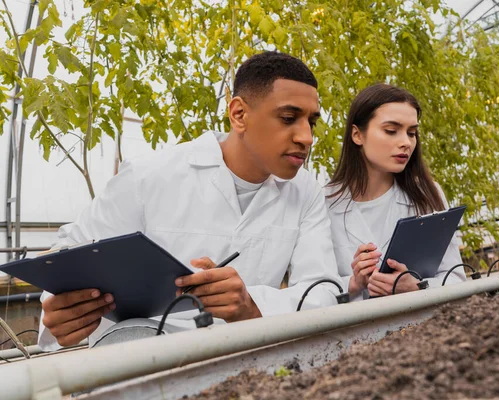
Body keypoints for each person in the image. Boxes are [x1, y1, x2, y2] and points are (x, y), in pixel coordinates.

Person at [38, 51, 342, 350]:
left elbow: (323, 293)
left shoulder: (306, 192)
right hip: (138, 364)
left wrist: (251, 306)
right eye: (289, 118)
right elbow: (72, 250)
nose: (306, 137)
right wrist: (60, 313)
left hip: (246, 364)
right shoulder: (149, 176)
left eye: (311, 122)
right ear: (239, 114)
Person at [325, 83, 466, 301]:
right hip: (352, 332)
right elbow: (310, 290)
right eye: (391, 131)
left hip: (420, 331)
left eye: (412, 133)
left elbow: (456, 278)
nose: (406, 143)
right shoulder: (325, 203)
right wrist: (352, 283)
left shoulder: (426, 194)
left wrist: (418, 287)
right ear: (357, 135)